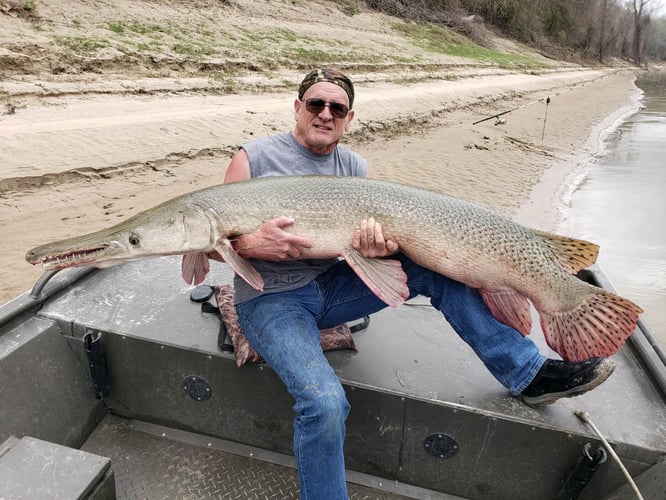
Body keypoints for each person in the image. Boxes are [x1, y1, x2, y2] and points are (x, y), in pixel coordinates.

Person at [219, 68, 615, 499]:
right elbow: (205, 239)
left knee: (434, 268)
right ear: (298, 108)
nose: (325, 114)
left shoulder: (352, 166)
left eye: (337, 108)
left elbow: (368, 250)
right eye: (316, 104)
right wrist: (251, 243)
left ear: (349, 118)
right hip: (271, 300)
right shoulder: (253, 159)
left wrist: (378, 248)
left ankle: (527, 372)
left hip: (331, 289)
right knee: (324, 403)